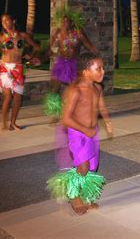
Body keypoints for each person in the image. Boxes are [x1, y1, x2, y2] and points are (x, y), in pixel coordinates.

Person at [47, 52, 112, 215]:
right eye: (98, 69)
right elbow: (66, 119)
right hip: (78, 133)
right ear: (85, 71)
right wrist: (85, 130)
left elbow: (102, 106)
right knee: (82, 166)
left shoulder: (97, 88)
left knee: (91, 167)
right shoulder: (75, 91)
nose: (102, 72)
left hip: (92, 133)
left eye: (102, 68)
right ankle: (73, 196)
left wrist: (107, 121)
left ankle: (83, 195)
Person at [0, 13, 40, 131]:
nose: (4, 24)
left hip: (18, 68)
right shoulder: (0, 36)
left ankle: (13, 123)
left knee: (18, 98)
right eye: (2, 22)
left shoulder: (23, 35)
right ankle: (4, 122)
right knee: (8, 96)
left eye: (6, 21)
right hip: (5, 68)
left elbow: (36, 47)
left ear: (13, 21)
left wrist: (31, 57)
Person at [50, 7, 98, 93]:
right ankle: (54, 105)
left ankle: (77, 102)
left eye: (66, 21)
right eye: (62, 22)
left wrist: (95, 55)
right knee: (55, 86)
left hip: (74, 63)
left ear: (71, 23)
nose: (64, 24)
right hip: (62, 62)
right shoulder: (58, 33)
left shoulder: (78, 33)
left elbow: (88, 45)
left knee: (75, 87)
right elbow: (51, 48)